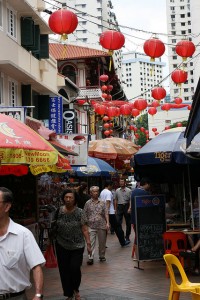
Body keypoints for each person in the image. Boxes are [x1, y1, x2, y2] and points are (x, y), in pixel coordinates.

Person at [0, 187, 45, 300]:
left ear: (7, 206)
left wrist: (38, 294)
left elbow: (36, 266)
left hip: (15, 297)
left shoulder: (23, 234)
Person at [54, 189, 92, 300]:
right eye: (66, 197)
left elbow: (84, 229)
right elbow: (54, 226)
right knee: (64, 270)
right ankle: (69, 293)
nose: (68, 199)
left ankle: (76, 289)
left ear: (75, 199)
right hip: (61, 244)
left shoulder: (80, 212)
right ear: (63, 199)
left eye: (70, 197)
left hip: (77, 245)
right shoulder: (59, 211)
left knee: (74, 268)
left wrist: (89, 244)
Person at [83, 186, 109, 265]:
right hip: (91, 225)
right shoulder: (87, 203)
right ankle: (90, 257)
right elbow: (84, 214)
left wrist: (108, 223)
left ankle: (102, 256)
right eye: (94, 191)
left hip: (101, 224)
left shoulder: (103, 202)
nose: (96, 193)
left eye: (97, 191)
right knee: (91, 242)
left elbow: (106, 213)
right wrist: (85, 225)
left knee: (102, 242)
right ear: (90, 193)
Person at [100, 181, 130, 247]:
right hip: (110, 213)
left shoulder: (102, 192)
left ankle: (103, 244)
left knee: (105, 228)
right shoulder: (108, 192)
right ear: (109, 185)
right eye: (112, 185)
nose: (112, 187)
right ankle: (123, 242)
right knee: (118, 227)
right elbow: (108, 203)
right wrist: (107, 213)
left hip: (105, 213)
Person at [130, 178, 151, 257]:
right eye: (149, 185)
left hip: (134, 218)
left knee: (137, 236)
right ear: (146, 184)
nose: (149, 186)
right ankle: (142, 254)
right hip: (143, 219)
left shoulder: (134, 191)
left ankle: (137, 255)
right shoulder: (145, 193)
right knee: (143, 236)